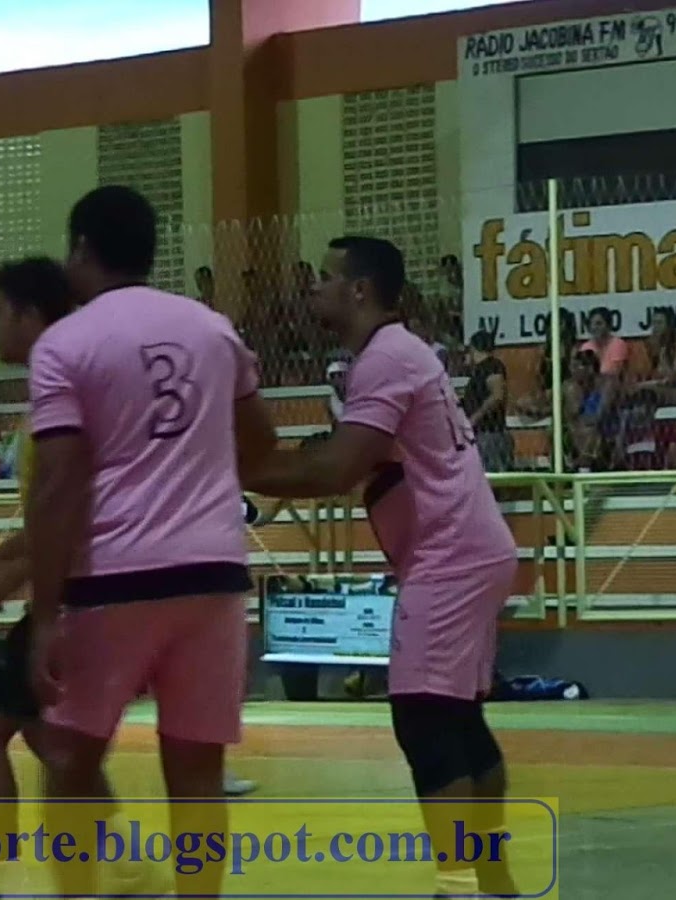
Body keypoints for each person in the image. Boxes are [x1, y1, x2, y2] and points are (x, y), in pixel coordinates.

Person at [243, 236, 519, 899]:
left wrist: (234, 465)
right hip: (468, 549)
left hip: (450, 557)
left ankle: (461, 887)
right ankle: (493, 885)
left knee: (423, 717)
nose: (314, 288)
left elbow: (336, 469)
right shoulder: (395, 354)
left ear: (360, 289)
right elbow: (344, 458)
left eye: (325, 277)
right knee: (457, 720)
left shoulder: (387, 357)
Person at [23, 186, 277, 899]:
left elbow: (59, 485)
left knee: (70, 760)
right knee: (197, 775)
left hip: (116, 578)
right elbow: (260, 445)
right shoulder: (213, 329)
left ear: (80, 248)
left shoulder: (66, 344)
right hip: (214, 575)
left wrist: (44, 615)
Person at [0, 256, 168, 899]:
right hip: (91, 593)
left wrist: (9, 571)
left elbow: (71, 509)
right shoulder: (71, 387)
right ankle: (130, 866)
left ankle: (12, 885)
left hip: (77, 599)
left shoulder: (63, 391)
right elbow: (56, 509)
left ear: (29, 316)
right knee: (51, 740)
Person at [461, 329, 511, 472]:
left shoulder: (492, 366)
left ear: (473, 348)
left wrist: (474, 418)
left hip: (489, 434)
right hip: (480, 434)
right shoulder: (478, 371)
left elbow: (497, 395)